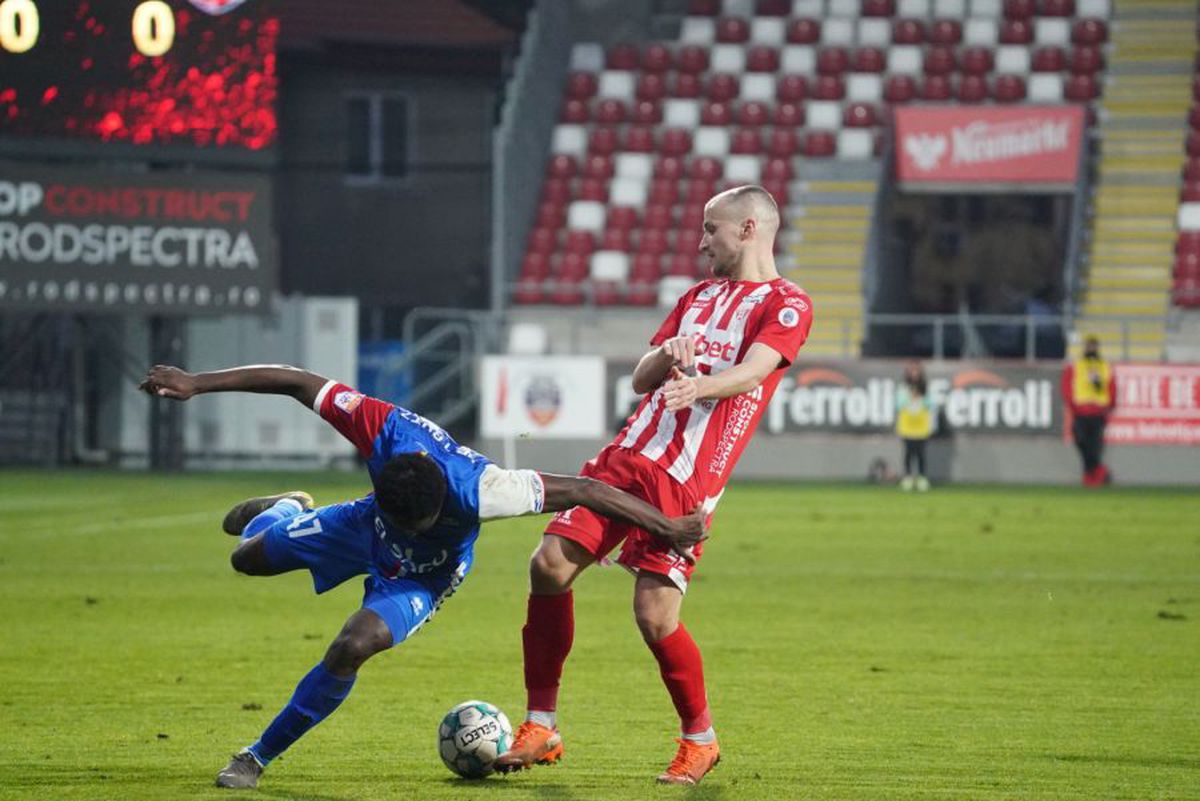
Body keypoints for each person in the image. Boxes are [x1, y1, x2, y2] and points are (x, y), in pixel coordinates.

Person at [137, 363, 708, 789]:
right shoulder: (381, 430)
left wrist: (666, 527)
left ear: (441, 508)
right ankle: (287, 510)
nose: (416, 526)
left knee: (352, 645)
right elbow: (295, 381)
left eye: (423, 523)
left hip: (424, 577)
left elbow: (587, 489)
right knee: (245, 559)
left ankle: (255, 757)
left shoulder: (485, 490)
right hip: (361, 526)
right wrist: (197, 383)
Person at [493, 185, 813, 785]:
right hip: (626, 456)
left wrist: (700, 386)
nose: (702, 243)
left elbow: (755, 372)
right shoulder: (695, 297)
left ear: (748, 229)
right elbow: (642, 379)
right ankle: (540, 724)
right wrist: (667, 354)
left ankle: (700, 740)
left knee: (654, 614)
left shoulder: (788, 303)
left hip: (687, 478)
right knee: (548, 566)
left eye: (711, 229)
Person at [1061, 335, 1115, 486]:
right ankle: (1098, 470)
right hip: (1080, 411)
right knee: (1081, 441)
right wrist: (1073, 405)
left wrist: (1108, 406)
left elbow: (1111, 386)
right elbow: (1066, 386)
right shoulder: (1076, 365)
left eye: (1093, 346)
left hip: (1098, 412)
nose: (1091, 349)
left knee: (1095, 445)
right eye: (1089, 346)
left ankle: (1090, 476)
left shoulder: (1104, 366)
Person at [895, 361, 934, 492]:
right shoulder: (903, 388)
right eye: (912, 371)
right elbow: (898, 405)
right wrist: (909, 398)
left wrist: (921, 398)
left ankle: (922, 478)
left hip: (921, 426)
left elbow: (931, 405)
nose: (914, 373)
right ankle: (907, 478)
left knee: (921, 454)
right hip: (907, 426)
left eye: (916, 371)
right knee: (908, 453)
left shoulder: (926, 388)